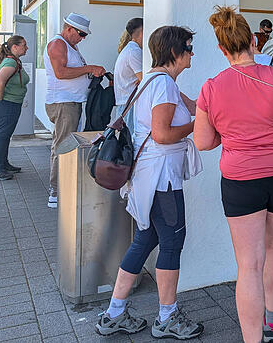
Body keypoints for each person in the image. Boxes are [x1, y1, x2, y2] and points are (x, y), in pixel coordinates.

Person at [194, 6, 273, 343]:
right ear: (255, 41)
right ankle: (272, 321)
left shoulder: (211, 88)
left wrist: (233, 132)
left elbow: (203, 142)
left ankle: (253, 340)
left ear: (222, 49)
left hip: (241, 181)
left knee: (249, 265)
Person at [96, 25, 203, 339]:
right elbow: (162, 134)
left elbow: (193, 107)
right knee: (172, 244)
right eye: (188, 47)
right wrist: (196, 126)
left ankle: (114, 313)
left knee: (145, 240)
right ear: (174, 52)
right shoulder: (164, 86)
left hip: (148, 176)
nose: (192, 53)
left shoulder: (154, 79)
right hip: (162, 179)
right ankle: (167, 317)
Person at [44, 13, 105, 208]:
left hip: (71, 101)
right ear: (68, 28)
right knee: (62, 145)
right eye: (80, 33)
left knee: (68, 144)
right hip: (63, 102)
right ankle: (56, 191)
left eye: (85, 35)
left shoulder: (71, 46)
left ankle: (63, 186)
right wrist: (89, 68)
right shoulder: (58, 44)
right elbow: (60, 73)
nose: (82, 38)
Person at [0, 36, 30, 181]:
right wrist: (0, 98)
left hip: (11, 103)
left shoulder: (13, 60)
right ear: (15, 47)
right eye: (24, 45)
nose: (27, 48)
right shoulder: (11, 61)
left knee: (5, 135)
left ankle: (3, 164)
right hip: (7, 103)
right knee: (2, 135)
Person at [114, 17, 144, 128]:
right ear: (142, 32)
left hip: (125, 103)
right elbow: (145, 81)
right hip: (130, 104)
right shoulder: (134, 52)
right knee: (131, 141)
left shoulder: (129, 50)